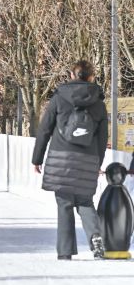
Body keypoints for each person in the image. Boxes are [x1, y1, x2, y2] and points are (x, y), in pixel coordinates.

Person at [32, 60, 108, 261]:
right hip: (87, 158)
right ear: (91, 77)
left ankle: (65, 251)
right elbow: (102, 138)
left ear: (72, 75)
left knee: (64, 202)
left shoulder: (58, 98)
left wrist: (37, 158)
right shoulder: (99, 104)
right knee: (85, 201)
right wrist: (97, 163)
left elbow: (45, 129)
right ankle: (95, 236)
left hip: (60, 158)